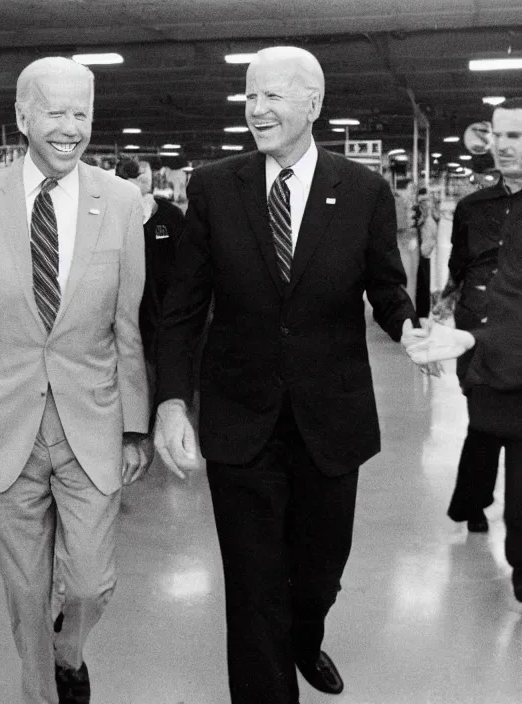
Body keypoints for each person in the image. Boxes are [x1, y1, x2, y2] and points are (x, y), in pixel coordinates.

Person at [153, 46, 429, 704]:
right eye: (249, 96)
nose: (256, 109)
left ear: (313, 104)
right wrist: (169, 403)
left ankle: (306, 634)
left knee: (316, 575)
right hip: (240, 415)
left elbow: (387, 288)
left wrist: (411, 328)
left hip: (330, 417)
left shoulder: (362, 191)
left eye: (272, 96)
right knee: (252, 588)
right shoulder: (216, 186)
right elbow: (183, 307)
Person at [0, 57, 152, 704]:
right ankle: (43, 693)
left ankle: (69, 652)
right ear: (22, 116)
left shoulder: (122, 202)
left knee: (89, 586)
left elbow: (128, 326)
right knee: (23, 592)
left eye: (83, 114)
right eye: (56, 112)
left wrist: (136, 425)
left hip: (92, 420)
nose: (71, 128)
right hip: (5, 421)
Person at [406, 98, 522, 603]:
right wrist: (437, 316)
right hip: (474, 341)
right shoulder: (475, 206)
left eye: (515, 135)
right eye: (498, 134)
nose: (502, 145)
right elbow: (459, 272)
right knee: (485, 426)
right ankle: (472, 503)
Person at [436, 165, 506, 533]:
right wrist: (448, 297)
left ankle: (474, 504)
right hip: (480, 319)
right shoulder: (471, 206)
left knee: (486, 419)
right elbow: (458, 262)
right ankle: (474, 502)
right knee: (485, 415)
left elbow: (457, 263)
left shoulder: (471, 206)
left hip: (483, 314)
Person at [115, 157, 183, 370]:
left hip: (164, 308)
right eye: (134, 176)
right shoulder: (111, 215)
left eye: (145, 173)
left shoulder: (170, 215)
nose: (143, 178)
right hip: (124, 309)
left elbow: (186, 261)